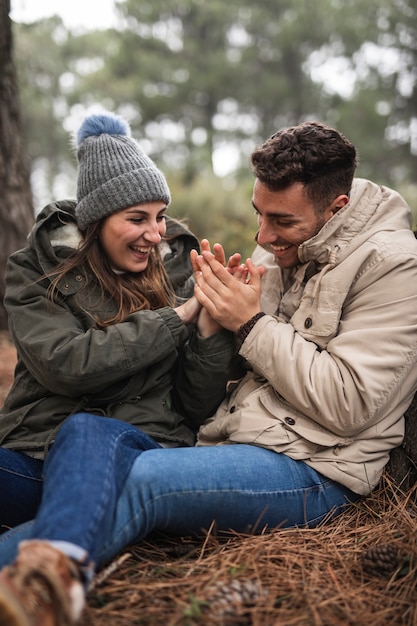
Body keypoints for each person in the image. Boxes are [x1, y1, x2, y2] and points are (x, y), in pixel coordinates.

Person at [1, 120, 417, 626]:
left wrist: (245, 322)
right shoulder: (280, 247)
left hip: (317, 463)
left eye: (281, 221)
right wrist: (214, 327)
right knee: (95, 454)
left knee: (134, 477)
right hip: (229, 443)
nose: (263, 237)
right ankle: (44, 579)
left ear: (337, 207)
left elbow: (350, 404)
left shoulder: (395, 267)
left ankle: (36, 592)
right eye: (258, 215)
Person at [0, 111, 236, 624]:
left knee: (88, 431)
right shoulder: (35, 270)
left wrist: (211, 331)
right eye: (137, 218)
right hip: (34, 458)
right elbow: (65, 364)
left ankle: (49, 582)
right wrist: (176, 320)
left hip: (127, 452)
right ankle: (62, 536)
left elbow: (196, 406)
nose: (155, 234)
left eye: (160, 216)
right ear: (96, 220)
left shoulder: (181, 274)